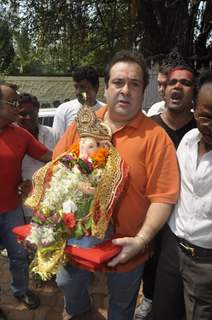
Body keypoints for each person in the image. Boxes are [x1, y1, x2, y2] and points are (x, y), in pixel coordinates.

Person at [53, 50, 180, 320]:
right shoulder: (84, 123)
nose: (125, 90)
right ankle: (81, 312)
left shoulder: (156, 138)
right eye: (118, 82)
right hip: (78, 236)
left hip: (127, 247)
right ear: (107, 86)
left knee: (121, 308)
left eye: (134, 84)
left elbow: (164, 197)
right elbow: (57, 165)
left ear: (144, 90)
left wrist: (142, 240)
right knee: (67, 283)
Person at [134, 64, 197, 319]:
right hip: (151, 210)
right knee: (150, 258)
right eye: (172, 82)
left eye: (185, 83)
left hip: (187, 217)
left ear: (194, 92)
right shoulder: (147, 128)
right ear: (163, 90)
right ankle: (148, 298)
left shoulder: (201, 130)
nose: (177, 87)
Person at [152, 70, 212, 320]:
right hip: (172, 248)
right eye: (206, 117)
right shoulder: (187, 140)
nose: (211, 126)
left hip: (206, 264)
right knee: (163, 312)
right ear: (195, 108)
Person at [0, 82, 52, 309]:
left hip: (12, 209)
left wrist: (87, 154)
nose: (17, 107)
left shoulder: (20, 134)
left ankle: (20, 290)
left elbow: (52, 158)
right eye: (13, 103)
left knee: (19, 255)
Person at [17, 93, 56, 222]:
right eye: (22, 113)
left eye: (32, 113)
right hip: (23, 205)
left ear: (37, 112)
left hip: (51, 201)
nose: (28, 117)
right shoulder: (10, 138)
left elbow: (60, 162)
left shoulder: (52, 133)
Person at [53, 65, 104, 141]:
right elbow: (57, 143)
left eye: (83, 87)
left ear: (96, 87)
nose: (78, 92)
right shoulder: (63, 110)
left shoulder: (106, 111)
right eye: (76, 87)